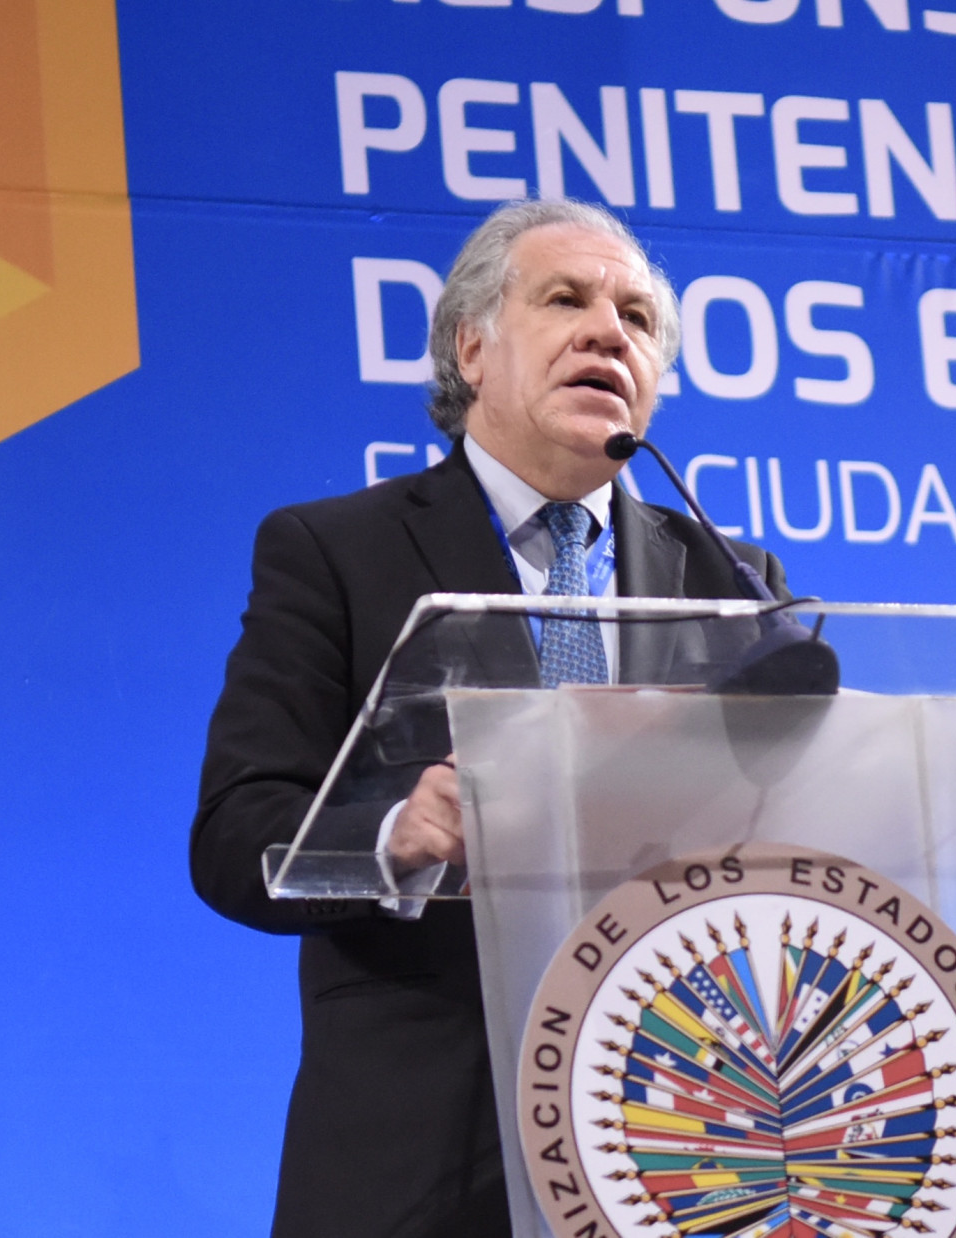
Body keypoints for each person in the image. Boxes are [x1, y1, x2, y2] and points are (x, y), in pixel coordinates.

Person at [189, 199, 789, 1238]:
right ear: (471, 349)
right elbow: (237, 836)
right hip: (426, 1154)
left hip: (675, 1143)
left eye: (637, 319)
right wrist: (394, 835)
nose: (608, 333)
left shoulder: (732, 583)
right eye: (565, 300)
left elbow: (796, 832)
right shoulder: (336, 552)